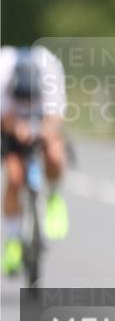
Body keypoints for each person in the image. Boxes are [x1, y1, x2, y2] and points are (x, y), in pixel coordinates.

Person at [1, 45, 69, 275]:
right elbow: (4, 115)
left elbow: (56, 116)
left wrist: (42, 131)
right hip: (10, 125)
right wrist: (15, 128)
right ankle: (12, 240)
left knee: (55, 155)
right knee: (14, 177)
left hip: (43, 120)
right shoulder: (4, 69)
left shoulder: (49, 68)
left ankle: (54, 199)